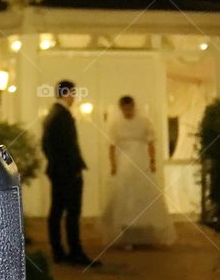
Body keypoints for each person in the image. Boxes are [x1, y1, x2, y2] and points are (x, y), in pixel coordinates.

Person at [101, 96, 176, 247]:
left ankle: (146, 234)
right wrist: (113, 165)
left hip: (141, 161)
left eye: (130, 108)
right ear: (121, 108)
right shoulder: (116, 123)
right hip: (123, 161)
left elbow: (151, 143)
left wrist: (152, 161)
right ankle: (125, 235)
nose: (127, 112)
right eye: (124, 109)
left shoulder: (144, 121)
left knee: (144, 195)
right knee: (124, 196)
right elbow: (111, 145)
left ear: (134, 107)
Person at [41, 80, 101, 266]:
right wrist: (73, 169)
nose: (74, 97)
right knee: (72, 212)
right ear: (67, 93)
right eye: (73, 94)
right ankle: (75, 251)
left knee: (57, 210)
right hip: (67, 172)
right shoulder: (63, 116)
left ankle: (58, 250)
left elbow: (46, 145)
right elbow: (69, 147)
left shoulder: (52, 114)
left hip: (57, 170)